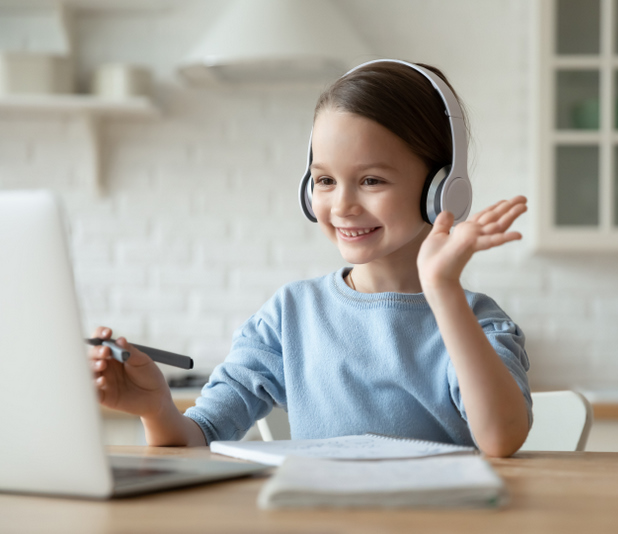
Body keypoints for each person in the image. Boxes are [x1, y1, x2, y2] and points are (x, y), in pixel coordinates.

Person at [90, 59, 532, 457]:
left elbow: (500, 438)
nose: (342, 206)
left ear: (442, 189)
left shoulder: (478, 322)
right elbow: (199, 435)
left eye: (372, 180)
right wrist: (155, 408)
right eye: (324, 180)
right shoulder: (289, 316)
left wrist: (442, 289)